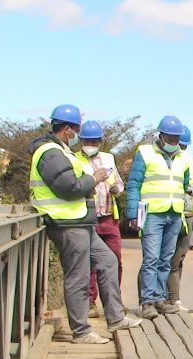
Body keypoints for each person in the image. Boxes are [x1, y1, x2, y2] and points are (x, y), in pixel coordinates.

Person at [29, 104, 140, 343]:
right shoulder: (50, 152)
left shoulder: (62, 150)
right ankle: (81, 331)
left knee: (108, 261)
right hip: (66, 223)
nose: (78, 134)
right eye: (76, 128)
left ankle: (115, 318)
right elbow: (70, 188)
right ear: (68, 129)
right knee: (78, 276)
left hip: (80, 221)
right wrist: (94, 178)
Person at [126, 116, 191, 319]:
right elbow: (134, 184)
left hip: (174, 214)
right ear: (161, 136)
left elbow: (184, 186)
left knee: (166, 259)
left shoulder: (184, 158)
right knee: (151, 259)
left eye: (176, 139)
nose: (173, 142)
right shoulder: (145, 153)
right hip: (153, 214)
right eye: (170, 138)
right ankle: (147, 302)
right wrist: (132, 213)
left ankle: (160, 298)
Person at [74, 120, 124, 319]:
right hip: (88, 218)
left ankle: (113, 304)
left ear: (100, 142)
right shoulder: (74, 160)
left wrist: (116, 190)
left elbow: (119, 184)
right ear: (81, 140)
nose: (91, 144)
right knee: (89, 263)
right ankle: (91, 303)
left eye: (95, 141)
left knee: (115, 260)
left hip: (109, 217)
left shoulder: (108, 159)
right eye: (88, 140)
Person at [167, 125, 193, 312]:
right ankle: (153, 299)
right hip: (164, 214)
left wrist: (188, 188)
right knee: (157, 259)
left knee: (178, 258)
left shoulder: (190, 161)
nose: (179, 148)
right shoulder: (159, 160)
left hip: (186, 215)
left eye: (182, 145)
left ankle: (173, 298)